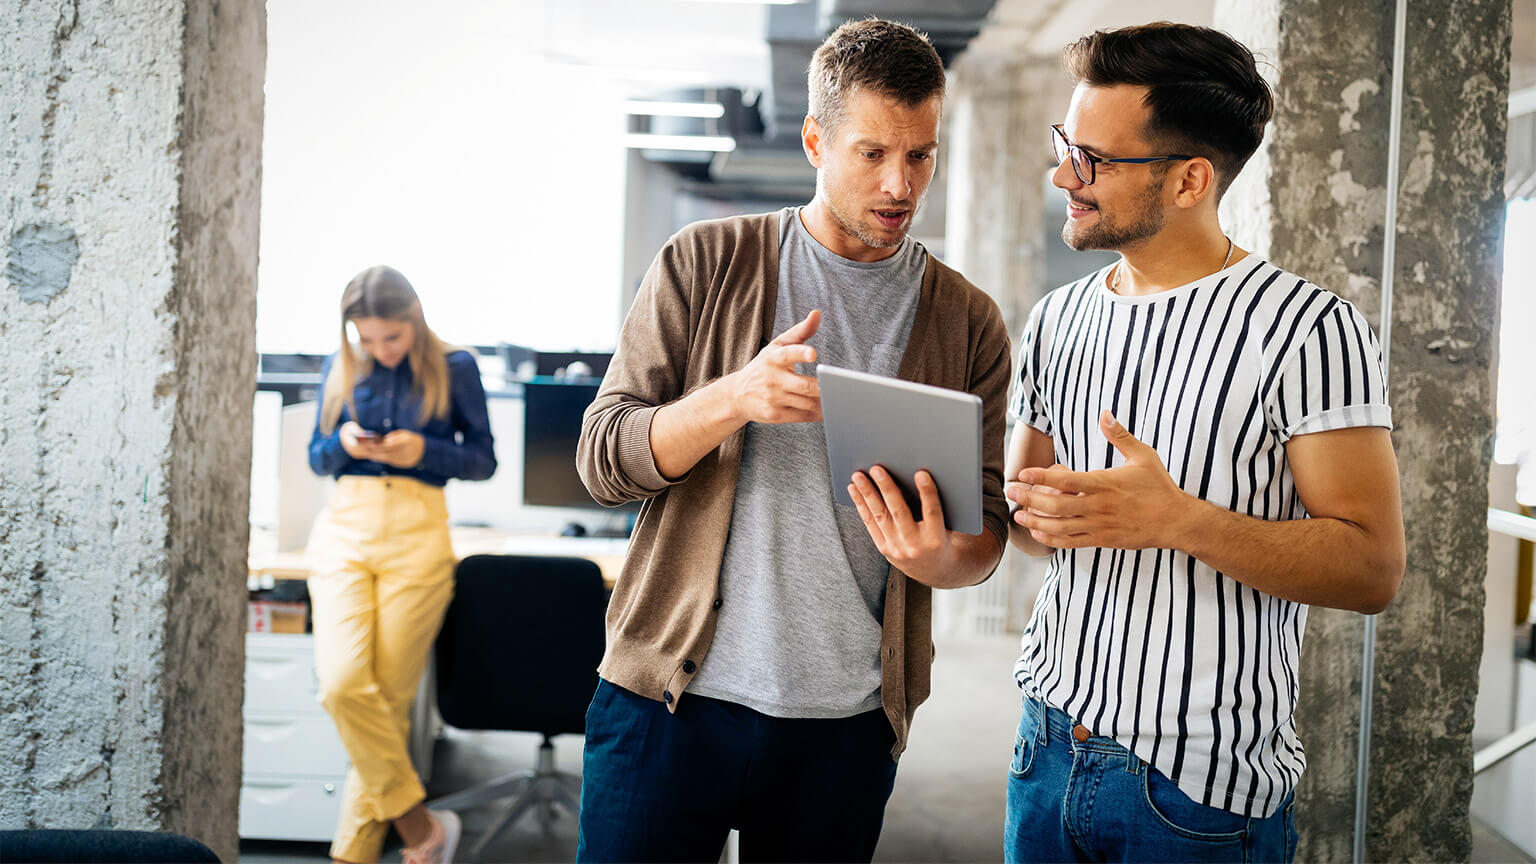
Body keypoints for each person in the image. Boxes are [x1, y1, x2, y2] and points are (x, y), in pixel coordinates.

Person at [574, 18, 1013, 863]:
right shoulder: (702, 263)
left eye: (920, 154)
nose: (900, 183)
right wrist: (733, 398)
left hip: (842, 728)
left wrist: (936, 558)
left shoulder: (967, 321)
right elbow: (604, 457)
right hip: (668, 704)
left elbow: (984, 539)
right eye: (872, 152)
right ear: (816, 139)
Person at [1002, 23, 1406, 864]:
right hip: (1045, 749)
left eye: (1094, 161)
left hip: (1197, 790)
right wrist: (963, 513)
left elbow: (1372, 569)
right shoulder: (1056, 319)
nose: (1061, 175)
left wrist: (1178, 519)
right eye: (1064, 146)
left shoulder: (1307, 330)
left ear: (1190, 179)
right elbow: (1036, 526)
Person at [305, 265, 496, 864]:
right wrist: (344, 444)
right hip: (346, 526)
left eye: (391, 337)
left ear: (414, 321)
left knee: (384, 701)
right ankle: (421, 828)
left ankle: (358, 854)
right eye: (367, 339)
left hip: (417, 530)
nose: (380, 351)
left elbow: (483, 460)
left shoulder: (456, 367)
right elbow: (317, 456)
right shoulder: (338, 367)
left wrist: (424, 451)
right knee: (341, 687)